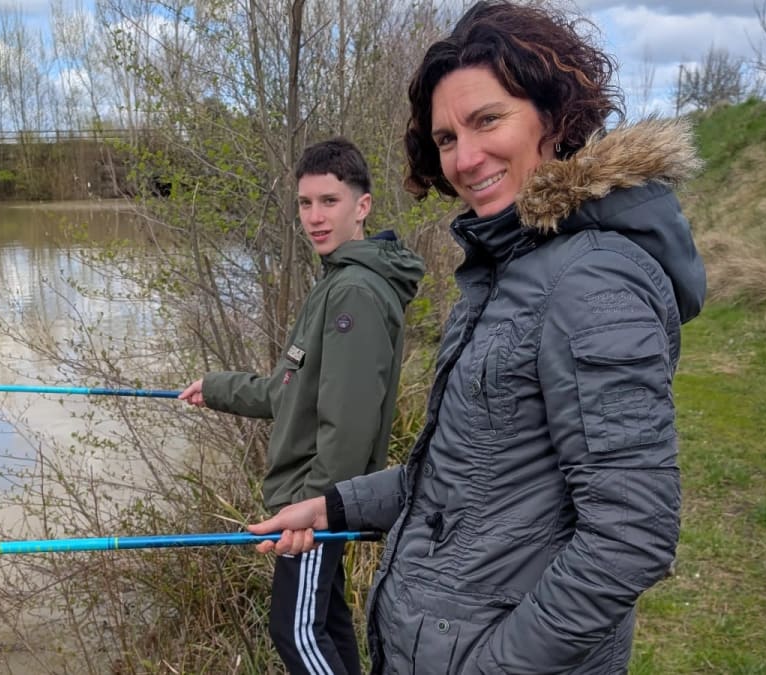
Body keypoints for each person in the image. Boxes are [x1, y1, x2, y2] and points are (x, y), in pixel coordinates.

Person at [247, 2, 707, 673]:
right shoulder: (505, 270)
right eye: (445, 138)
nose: (465, 157)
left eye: (488, 120)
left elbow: (632, 533)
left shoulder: (592, 279)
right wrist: (335, 503)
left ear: (553, 117)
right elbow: (466, 477)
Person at [179, 137, 424, 675]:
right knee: (327, 623)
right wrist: (214, 388)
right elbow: (286, 392)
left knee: (294, 631)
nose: (314, 217)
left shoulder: (354, 291)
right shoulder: (336, 280)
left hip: (314, 503)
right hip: (314, 502)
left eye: (329, 201)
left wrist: (316, 508)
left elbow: (350, 423)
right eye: (305, 203)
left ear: (362, 206)